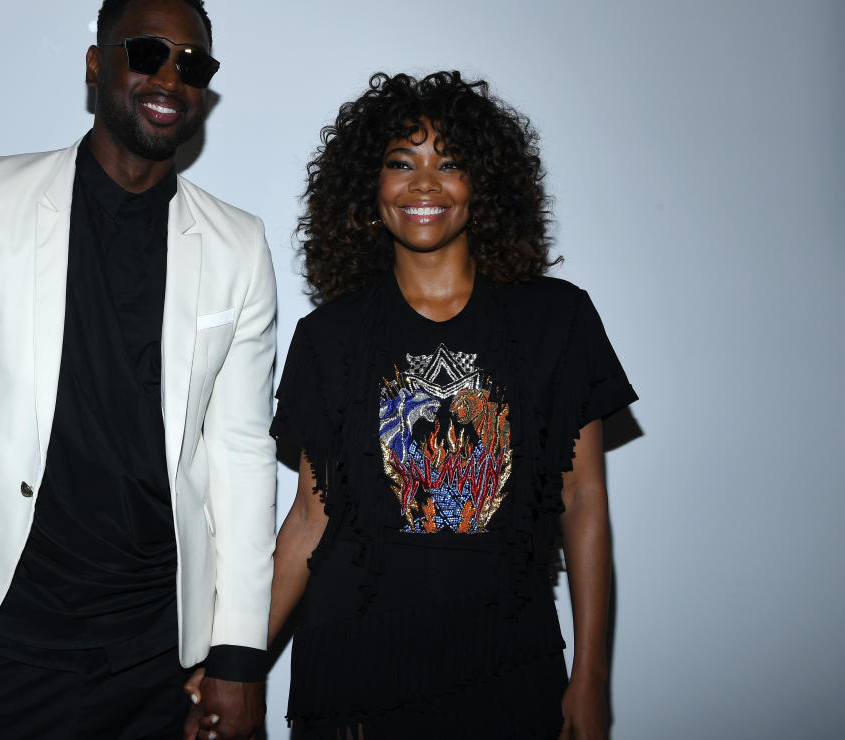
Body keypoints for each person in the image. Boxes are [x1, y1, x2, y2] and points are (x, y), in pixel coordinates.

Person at [0, 0, 275, 740]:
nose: (170, 77)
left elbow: (242, 456)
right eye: (147, 52)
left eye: (193, 64)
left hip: (154, 654)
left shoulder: (238, 246)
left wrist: (239, 656)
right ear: (95, 64)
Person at [264, 71, 636, 738]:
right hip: (354, 682)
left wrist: (592, 676)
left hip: (510, 668)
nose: (425, 184)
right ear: (368, 188)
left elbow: (584, 502)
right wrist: (230, 666)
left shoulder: (557, 321)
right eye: (401, 163)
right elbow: (308, 522)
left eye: (450, 162)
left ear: (483, 186)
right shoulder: (330, 339)